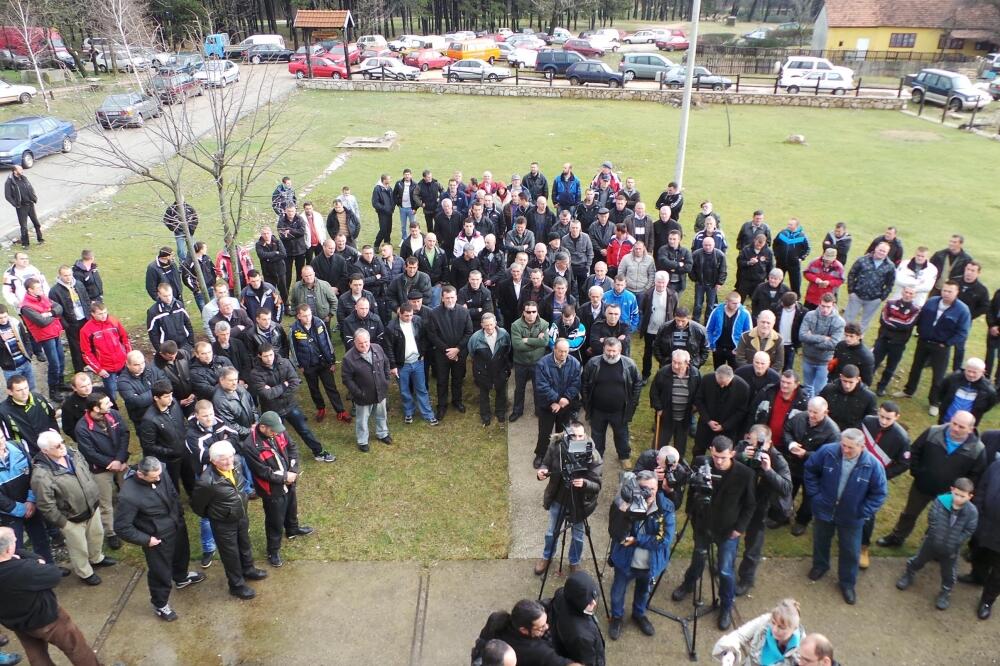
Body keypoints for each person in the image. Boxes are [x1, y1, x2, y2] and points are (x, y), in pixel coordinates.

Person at [672, 436, 756, 630]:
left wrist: (739, 528)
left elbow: (750, 505)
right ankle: (688, 584)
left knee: (726, 570)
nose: (718, 461)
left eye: (723, 457)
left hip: (728, 530)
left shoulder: (746, 474)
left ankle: (726, 605)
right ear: (711, 450)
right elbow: (692, 491)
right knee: (698, 559)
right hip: (702, 524)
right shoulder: (702, 463)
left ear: (733, 454)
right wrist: (691, 514)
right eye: (716, 456)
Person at [877, 411, 985, 548]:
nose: (955, 429)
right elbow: (914, 451)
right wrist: (917, 472)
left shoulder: (978, 449)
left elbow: (975, 475)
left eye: (961, 427)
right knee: (909, 514)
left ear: (971, 429)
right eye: (954, 423)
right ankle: (897, 537)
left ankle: (929, 545)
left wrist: (960, 491)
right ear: (951, 419)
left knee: (940, 520)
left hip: (950, 494)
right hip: (922, 485)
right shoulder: (933, 432)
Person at [114, 456, 204, 621]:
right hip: (157, 537)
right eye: (154, 477)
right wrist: (147, 540)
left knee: (182, 555)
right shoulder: (128, 496)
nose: (159, 478)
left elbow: (172, 492)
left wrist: (180, 516)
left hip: (176, 525)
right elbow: (122, 527)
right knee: (160, 571)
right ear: (141, 474)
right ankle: (160, 603)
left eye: (159, 474)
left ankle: (181, 577)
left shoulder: (161, 470)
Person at [804, 428, 888, 605]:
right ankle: (820, 566)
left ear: (862, 446)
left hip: (852, 517)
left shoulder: (873, 466)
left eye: (850, 447)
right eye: (843, 445)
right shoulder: (827, 452)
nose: (845, 450)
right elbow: (810, 469)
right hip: (824, 510)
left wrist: (862, 511)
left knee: (850, 551)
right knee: (821, 540)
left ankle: (847, 583)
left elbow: (879, 493)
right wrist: (816, 495)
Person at [0, 526, 99, 665]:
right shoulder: (25, 569)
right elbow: (54, 575)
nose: (16, 541)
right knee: (76, 648)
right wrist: (36, 560)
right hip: (47, 621)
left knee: (36, 655)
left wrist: (15, 555)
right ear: (8, 549)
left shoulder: (18, 566)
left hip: (16, 623)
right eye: (14, 540)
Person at [31, 431, 117, 585]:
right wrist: (63, 523)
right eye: (57, 446)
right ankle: (85, 572)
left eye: (62, 441)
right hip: (71, 519)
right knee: (79, 548)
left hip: (92, 508)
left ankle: (96, 558)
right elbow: (45, 505)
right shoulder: (41, 475)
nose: (63, 447)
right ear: (45, 451)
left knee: (97, 536)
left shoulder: (73, 453)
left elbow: (87, 473)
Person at [190, 441, 267, 599]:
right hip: (223, 523)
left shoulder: (236, 463)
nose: (229, 462)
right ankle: (236, 585)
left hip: (241, 515)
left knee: (245, 544)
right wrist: (217, 515)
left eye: (230, 457)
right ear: (213, 461)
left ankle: (248, 569)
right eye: (224, 459)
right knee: (230, 554)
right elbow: (197, 506)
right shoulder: (206, 482)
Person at [606, 470, 675, 641]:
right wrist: (624, 511)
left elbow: (664, 540)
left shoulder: (665, 507)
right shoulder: (626, 503)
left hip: (650, 564)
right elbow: (615, 532)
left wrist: (637, 540)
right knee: (617, 592)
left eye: (653, 488)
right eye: (645, 488)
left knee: (644, 592)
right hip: (626, 561)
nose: (649, 493)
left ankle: (639, 614)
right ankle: (616, 617)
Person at [241, 411, 313, 568]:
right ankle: (273, 551)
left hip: (289, 480)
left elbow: (292, 447)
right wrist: (284, 478)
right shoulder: (250, 446)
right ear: (262, 427)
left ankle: (292, 529)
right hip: (271, 489)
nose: (276, 433)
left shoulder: (278, 429)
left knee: (291, 507)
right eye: (272, 431)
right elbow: (262, 472)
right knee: (275, 520)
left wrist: (292, 470)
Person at [895, 476, 978, 611]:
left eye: (962, 496)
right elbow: (932, 517)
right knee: (918, 560)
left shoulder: (972, 512)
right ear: (952, 490)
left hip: (951, 548)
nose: (958, 498)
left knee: (949, 573)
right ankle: (908, 574)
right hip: (932, 542)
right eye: (956, 494)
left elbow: (970, 529)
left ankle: (945, 592)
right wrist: (935, 532)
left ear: (970, 496)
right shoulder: (940, 501)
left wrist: (957, 541)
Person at [534, 422, 603, 576]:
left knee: (578, 535)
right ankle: (547, 557)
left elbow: (597, 485)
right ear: (566, 435)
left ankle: (574, 561)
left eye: (580, 436)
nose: (577, 439)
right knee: (552, 532)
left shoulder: (593, 454)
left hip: (579, 502)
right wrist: (542, 471)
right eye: (573, 436)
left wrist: (585, 483)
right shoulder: (556, 446)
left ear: (585, 436)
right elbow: (545, 463)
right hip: (558, 498)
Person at [250, 345, 335, 462]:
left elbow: (294, 382)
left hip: (290, 405)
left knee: (305, 430)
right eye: (265, 356)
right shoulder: (255, 373)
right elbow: (266, 395)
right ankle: (281, 460)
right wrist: (284, 385)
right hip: (272, 410)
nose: (269, 358)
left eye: (271, 355)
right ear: (260, 356)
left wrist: (276, 392)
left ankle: (319, 452)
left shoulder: (284, 363)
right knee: (275, 436)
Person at [898, 281, 972, 417]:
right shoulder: (932, 301)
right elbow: (920, 318)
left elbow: (962, 333)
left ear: (957, 292)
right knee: (916, 367)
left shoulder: (962, 310)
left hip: (941, 347)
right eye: (944, 290)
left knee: (938, 376)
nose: (946, 294)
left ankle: (934, 402)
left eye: (950, 291)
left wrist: (947, 343)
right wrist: (920, 331)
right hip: (924, 341)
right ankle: (908, 390)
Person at [735, 425, 792, 596]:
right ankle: (723, 566)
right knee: (729, 538)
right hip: (739, 502)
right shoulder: (742, 447)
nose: (756, 448)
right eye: (752, 443)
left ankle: (746, 579)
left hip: (760, 506)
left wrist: (768, 470)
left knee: (753, 546)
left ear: (770, 443)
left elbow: (786, 487)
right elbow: (726, 462)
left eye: (761, 445)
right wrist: (741, 456)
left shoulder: (777, 459)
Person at [858, 402, 911, 568]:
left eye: (888, 418)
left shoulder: (901, 438)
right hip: (855, 468)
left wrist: (882, 475)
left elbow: (904, 463)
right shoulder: (867, 421)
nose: (883, 421)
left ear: (897, 418)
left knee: (868, 513)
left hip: (874, 479)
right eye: (881, 416)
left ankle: (863, 547)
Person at [74, 392, 128, 551]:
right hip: (100, 470)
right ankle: (111, 533)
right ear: (96, 409)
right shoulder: (82, 428)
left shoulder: (114, 414)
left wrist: (120, 459)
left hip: (121, 462)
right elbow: (89, 452)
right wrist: (111, 463)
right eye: (106, 403)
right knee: (105, 503)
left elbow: (124, 434)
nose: (111, 404)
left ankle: (131, 518)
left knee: (128, 492)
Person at [782, 397, 841, 534]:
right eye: (810, 411)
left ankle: (802, 521)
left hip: (815, 471)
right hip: (793, 465)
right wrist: (791, 444)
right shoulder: (800, 417)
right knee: (787, 491)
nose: (811, 415)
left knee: (809, 498)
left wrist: (806, 454)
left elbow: (830, 456)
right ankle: (782, 515)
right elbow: (787, 429)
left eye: (816, 412)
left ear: (825, 412)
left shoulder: (833, 432)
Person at [582, 338, 641, 465]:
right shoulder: (593, 363)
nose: (611, 354)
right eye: (608, 350)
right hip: (598, 409)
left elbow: (637, 384)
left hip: (619, 410)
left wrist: (633, 403)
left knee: (622, 435)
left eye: (614, 351)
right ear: (604, 349)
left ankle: (624, 456)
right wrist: (587, 403)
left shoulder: (630, 365)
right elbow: (585, 383)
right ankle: (597, 457)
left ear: (620, 350)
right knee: (597, 435)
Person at [289, 304, 349, 424]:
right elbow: (293, 348)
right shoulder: (294, 329)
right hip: (308, 365)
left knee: (331, 387)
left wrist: (332, 360)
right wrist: (299, 365)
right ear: (299, 316)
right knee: (314, 389)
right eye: (305, 316)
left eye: (310, 315)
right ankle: (321, 408)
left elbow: (327, 341)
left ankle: (340, 411)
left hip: (324, 362)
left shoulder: (319, 323)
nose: (308, 318)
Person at [0, 430, 52, 565]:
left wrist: (31, 500)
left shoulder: (18, 446)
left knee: (41, 539)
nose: (1, 442)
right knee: (15, 548)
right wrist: (20, 509)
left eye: (1, 437)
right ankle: (25, 578)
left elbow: (33, 473)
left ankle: (48, 568)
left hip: (31, 505)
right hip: (8, 513)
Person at [341, 329, 392, 453]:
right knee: (362, 420)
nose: (364, 346)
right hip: (363, 396)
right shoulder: (348, 358)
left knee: (381, 415)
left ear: (370, 340)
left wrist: (386, 380)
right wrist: (358, 393)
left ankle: (382, 433)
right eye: (360, 344)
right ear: (354, 342)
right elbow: (347, 379)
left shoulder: (377, 348)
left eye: (366, 342)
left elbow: (386, 362)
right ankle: (363, 441)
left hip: (380, 391)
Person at [475, 599, 570, 666]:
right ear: (523, 630)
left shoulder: (495, 620)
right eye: (541, 627)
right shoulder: (537, 651)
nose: (547, 627)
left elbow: (482, 640)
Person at [711, 598, 805, 666]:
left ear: (794, 628)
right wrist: (730, 652)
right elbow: (739, 635)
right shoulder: (765, 622)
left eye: (781, 627)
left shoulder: (804, 651)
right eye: (773, 622)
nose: (774, 629)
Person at [533, 340, 582, 469]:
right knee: (545, 432)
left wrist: (564, 400)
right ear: (554, 349)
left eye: (566, 351)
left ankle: (560, 454)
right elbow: (542, 386)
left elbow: (576, 384)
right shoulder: (542, 364)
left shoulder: (575, 363)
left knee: (563, 432)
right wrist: (557, 400)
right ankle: (541, 455)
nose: (563, 354)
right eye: (560, 351)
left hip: (565, 405)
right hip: (548, 405)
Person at [426, 285, 473, 420]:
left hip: (460, 353)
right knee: (442, 380)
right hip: (442, 354)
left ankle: (457, 401)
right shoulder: (434, 313)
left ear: (456, 297)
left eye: (452, 297)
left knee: (458, 379)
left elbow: (469, 332)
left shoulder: (464, 312)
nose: (450, 300)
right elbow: (432, 335)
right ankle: (442, 405)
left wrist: (457, 349)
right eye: (447, 298)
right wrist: (447, 350)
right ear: (442, 298)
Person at [965, 457, 1000, 620]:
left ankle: (987, 601)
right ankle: (977, 577)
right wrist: (977, 513)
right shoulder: (996, 466)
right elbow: (981, 489)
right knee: (978, 556)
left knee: (998, 574)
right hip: (984, 526)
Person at [19, 278, 66, 396]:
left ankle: (61, 383)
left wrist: (50, 313)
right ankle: (53, 390)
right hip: (45, 337)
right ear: (30, 290)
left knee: (61, 358)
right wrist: (54, 315)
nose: (41, 289)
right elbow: (41, 322)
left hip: (54, 332)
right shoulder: (26, 307)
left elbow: (59, 307)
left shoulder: (42, 296)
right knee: (54, 363)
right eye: (38, 288)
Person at [871, 287, 920, 396]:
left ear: (914, 295)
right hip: (883, 339)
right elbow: (883, 319)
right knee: (873, 362)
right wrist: (899, 323)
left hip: (899, 343)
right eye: (906, 292)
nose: (908, 295)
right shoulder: (890, 303)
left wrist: (892, 320)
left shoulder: (916, 310)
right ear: (902, 292)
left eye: (911, 293)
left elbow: (908, 324)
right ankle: (866, 382)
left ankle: (881, 387)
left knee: (890, 367)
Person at [650, 350, 700, 456]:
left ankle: (678, 465)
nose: (676, 365)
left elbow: (699, 392)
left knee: (680, 446)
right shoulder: (663, 372)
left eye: (679, 363)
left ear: (687, 363)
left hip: (684, 417)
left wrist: (695, 406)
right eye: (674, 362)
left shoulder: (695, 374)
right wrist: (658, 408)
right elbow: (654, 392)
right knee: (659, 444)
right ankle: (656, 461)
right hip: (666, 415)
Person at [550, 570, 606, 666]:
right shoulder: (582, 636)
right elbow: (589, 662)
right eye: (588, 601)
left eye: (593, 598)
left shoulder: (562, 594)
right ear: (577, 601)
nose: (594, 603)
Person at [693, 365, 750, 458]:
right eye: (719, 383)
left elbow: (741, 411)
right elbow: (699, 400)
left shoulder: (743, 388)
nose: (722, 386)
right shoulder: (707, 380)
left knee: (724, 454)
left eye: (724, 384)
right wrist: (708, 420)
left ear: (732, 378)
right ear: (716, 375)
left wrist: (724, 426)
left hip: (728, 428)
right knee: (698, 449)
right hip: (706, 424)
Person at [78, 302, 130, 402]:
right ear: (92, 314)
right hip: (106, 368)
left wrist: (129, 356)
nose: (104, 316)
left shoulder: (114, 322)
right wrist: (98, 369)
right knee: (111, 392)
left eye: (105, 312)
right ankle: (113, 410)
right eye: (100, 314)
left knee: (128, 387)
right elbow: (86, 353)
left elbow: (125, 338)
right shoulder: (86, 330)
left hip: (122, 363)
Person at [467, 314, 512, 427]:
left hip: (500, 369)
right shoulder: (475, 338)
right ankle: (485, 416)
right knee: (483, 394)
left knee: (501, 392)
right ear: (482, 325)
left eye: (491, 324)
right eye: (486, 325)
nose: (489, 327)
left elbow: (508, 349)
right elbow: (472, 353)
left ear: (495, 323)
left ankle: (500, 412)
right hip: (483, 371)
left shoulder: (504, 334)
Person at [844, 241, 897, 335]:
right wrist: (851, 291)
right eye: (880, 250)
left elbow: (890, 284)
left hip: (874, 299)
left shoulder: (890, 266)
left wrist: (881, 298)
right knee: (848, 318)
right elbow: (852, 274)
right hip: (856, 295)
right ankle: (842, 338)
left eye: (884, 251)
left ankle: (858, 339)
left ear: (887, 253)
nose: (881, 253)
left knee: (865, 322)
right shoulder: (862, 260)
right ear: (875, 248)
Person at [799, 293, 845, 397]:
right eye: (823, 306)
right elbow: (802, 336)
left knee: (819, 391)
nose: (825, 309)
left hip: (825, 362)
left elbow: (834, 344)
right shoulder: (809, 315)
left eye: (828, 307)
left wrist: (811, 339)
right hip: (808, 358)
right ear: (819, 304)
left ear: (833, 305)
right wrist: (823, 338)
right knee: (807, 388)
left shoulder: (839, 322)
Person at [509, 302, 549, 424]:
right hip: (520, 363)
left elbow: (545, 342)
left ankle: (539, 410)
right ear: (523, 312)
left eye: (533, 311)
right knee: (519, 388)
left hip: (538, 363)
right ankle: (517, 410)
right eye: (528, 312)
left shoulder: (544, 324)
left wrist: (527, 340)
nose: (531, 314)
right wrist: (537, 342)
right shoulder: (515, 325)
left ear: (537, 312)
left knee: (538, 388)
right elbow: (517, 345)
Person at [47, 266, 90, 375]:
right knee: (75, 346)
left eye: (70, 274)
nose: (68, 277)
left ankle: (89, 363)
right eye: (65, 275)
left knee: (87, 342)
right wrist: (65, 324)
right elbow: (57, 311)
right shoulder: (54, 291)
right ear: (60, 276)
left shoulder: (79, 284)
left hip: (85, 319)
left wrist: (90, 315)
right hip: (71, 323)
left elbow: (86, 300)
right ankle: (79, 369)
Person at [0, 375, 57, 457]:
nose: (24, 392)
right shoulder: (3, 411)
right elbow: (7, 438)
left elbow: (52, 418)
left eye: (26, 388)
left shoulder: (39, 398)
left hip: (50, 446)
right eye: (19, 390)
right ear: (10, 392)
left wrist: (55, 437)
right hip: (28, 453)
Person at [938, 358, 998, 426]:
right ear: (965, 369)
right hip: (946, 420)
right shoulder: (952, 379)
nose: (971, 374)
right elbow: (942, 392)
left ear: (982, 372)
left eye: (974, 372)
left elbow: (989, 405)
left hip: (967, 426)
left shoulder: (988, 390)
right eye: (969, 371)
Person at [819, 364, 877, 432]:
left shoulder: (869, 397)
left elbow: (871, 420)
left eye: (851, 382)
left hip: (852, 433)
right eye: (845, 381)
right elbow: (819, 406)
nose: (847, 386)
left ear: (858, 379)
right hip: (827, 428)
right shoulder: (829, 389)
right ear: (841, 377)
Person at [118, 351, 167, 429]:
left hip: (161, 412)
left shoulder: (151, 369)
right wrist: (158, 391)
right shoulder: (123, 382)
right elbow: (137, 402)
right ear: (127, 364)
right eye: (136, 365)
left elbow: (166, 384)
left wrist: (143, 396)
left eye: (142, 363)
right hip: (142, 418)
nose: (141, 367)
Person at [653, 306, 709, 371]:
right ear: (674, 317)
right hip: (668, 363)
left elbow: (705, 349)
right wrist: (663, 361)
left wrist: (697, 363)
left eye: (683, 321)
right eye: (678, 320)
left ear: (689, 318)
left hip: (690, 365)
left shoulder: (699, 330)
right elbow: (656, 345)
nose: (680, 324)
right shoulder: (664, 328)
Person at [706, 291, 752, 369]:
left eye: (739, 303)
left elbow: (748, 334)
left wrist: (740, 349)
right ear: (727, 302)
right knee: (718, 372)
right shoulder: (717, 311)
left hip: (735, 349)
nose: (737, 305)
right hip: (718, 348)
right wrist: (712, 345)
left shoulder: (745, 314)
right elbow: (708, 329)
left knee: (736, 374)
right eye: (734, 303)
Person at [146, 282, 195, 353]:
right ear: (159, 294)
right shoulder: (153, 312)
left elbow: (188, 324)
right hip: (167, 348)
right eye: (165, 296)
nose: (168, 298)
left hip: (184, 344)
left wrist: (191, 343)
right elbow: (153, 334)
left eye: (170, 295)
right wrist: (160, 350)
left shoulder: (179, 305)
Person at [691, 236, 727, 324]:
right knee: (698, 305)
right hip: (700, 283)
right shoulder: (696, 254)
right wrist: (694, 279)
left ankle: (708, 323)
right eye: (705, 245)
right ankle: (695, 322)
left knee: (710, 306)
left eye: (709, 245)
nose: (707, 247)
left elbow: (723, 270)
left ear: (714, 245)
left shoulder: (720, 255)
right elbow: (691, 268)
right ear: (702, 244)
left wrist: (719, 283)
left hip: (713, 285)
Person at [771, 218, 810, 299]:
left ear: (796, 226)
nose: (788, 226)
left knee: (795, 283)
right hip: (781, 263)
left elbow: (807, 249)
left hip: (794, 264)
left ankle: (795, 299)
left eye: (791, 225)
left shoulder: (802, 236)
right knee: (777, 280)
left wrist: (801, 258)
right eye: (788, 224)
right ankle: (776, 296)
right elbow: (775, 244)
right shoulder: (782, 233)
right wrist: (776, 255)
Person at [4, 166, 42, 248]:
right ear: (15, 171)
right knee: (24, 226)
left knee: (36, 223)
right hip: (21, 207)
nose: (22, 170)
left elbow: (30, 188)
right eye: (20, 169)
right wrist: (16, 204)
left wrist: (34, 198)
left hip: (30, 204)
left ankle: (40, 239)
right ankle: (25, 244)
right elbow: (8, 196)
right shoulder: (9, 182)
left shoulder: (24, 178)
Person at [0, 306, 34, 392]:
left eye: (5, 316)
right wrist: (2, 340)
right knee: (15, 393)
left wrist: (29, 354)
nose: (3, 320)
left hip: (25, 362)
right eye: (0, 318)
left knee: (31, 388)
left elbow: (26, 339)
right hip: (10, 368)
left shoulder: (15, 323)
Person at [277, 204, 308, 291]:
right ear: (286, 211)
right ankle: (286, 291)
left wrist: (290, 231)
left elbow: (302, 232)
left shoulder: (300, 219)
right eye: (289, 211)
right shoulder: (281, 221)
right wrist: (295, 234)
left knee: (300, 272)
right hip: (287, 251)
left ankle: (300, 289)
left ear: (295, 211)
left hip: (300, 250)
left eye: (292, 211)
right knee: (287, 273)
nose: (291, 213)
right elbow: (282, 235)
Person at [255, 227, 288, 303]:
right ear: (261, 234)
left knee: (283, 290)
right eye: (264, 234)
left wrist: (269, 259)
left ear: (271, 233)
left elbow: (283, 254)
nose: (266, 235)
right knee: (269, 291)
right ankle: (272, 305)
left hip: (280, 271)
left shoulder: (277, 241)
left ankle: (286, 305)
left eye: (268, 233)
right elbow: (262, 255)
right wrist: (275, 253)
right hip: (268, 273)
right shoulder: (259, 244)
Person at [657, 230, 692, 295]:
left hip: (680, 284)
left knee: (676, 303)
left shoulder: (685, 251)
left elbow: (689, 267)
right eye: (670, 239)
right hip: (666, 284)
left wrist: (673, 269)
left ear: (679, 240)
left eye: (674, 239)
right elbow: (663, 262)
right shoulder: (663, 249)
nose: (671, 241)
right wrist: (678, 264)